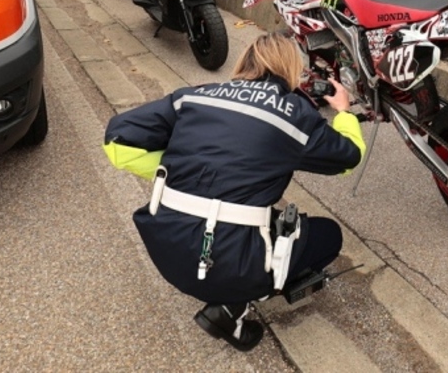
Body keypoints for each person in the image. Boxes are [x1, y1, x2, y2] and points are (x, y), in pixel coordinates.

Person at [103, 32, 366, 352]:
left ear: (245, 62)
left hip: (168, 253)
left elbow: (118, 143)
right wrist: (344, 112)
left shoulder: (194, 96)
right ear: (291, 69)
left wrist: (186, 166)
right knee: (328, 236)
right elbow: (348, 158)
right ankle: (233, 306)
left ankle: (229, 288)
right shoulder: (294, 112)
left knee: (256, 210)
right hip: (228, 263)